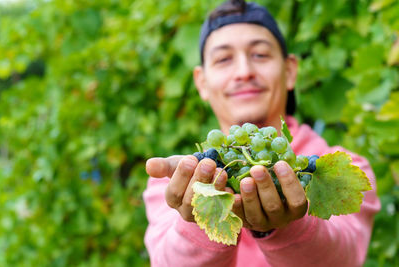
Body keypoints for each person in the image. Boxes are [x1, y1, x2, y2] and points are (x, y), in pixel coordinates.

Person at [143, 0, 380, 266]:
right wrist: (203, 214)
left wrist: (287, 225)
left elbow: (344, 260)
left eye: (260, 55)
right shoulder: (174, 182)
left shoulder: (343, 171)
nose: (244, 72)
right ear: (202, 82)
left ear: (290, 71)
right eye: (223, 59)